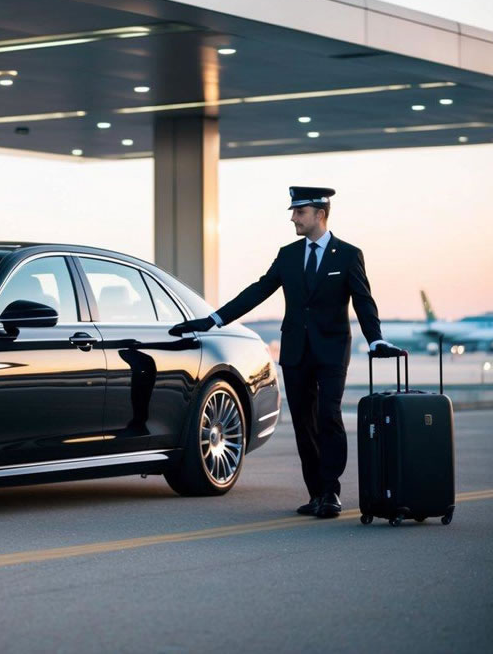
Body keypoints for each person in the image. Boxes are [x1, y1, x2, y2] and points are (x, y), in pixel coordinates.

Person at [169, 186, 399, 519]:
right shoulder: (288, 254)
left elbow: (363, 300)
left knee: (328, 417)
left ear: (320, 214)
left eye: (300, 212)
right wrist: (213, 320)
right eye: (293, 211)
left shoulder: (348, 255)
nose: (293, 217)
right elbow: (259, 290)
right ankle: (316, 492)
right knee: (304, 422)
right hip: (295, 352)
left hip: (332, 350)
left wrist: (375, 339)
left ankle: (331, 491)